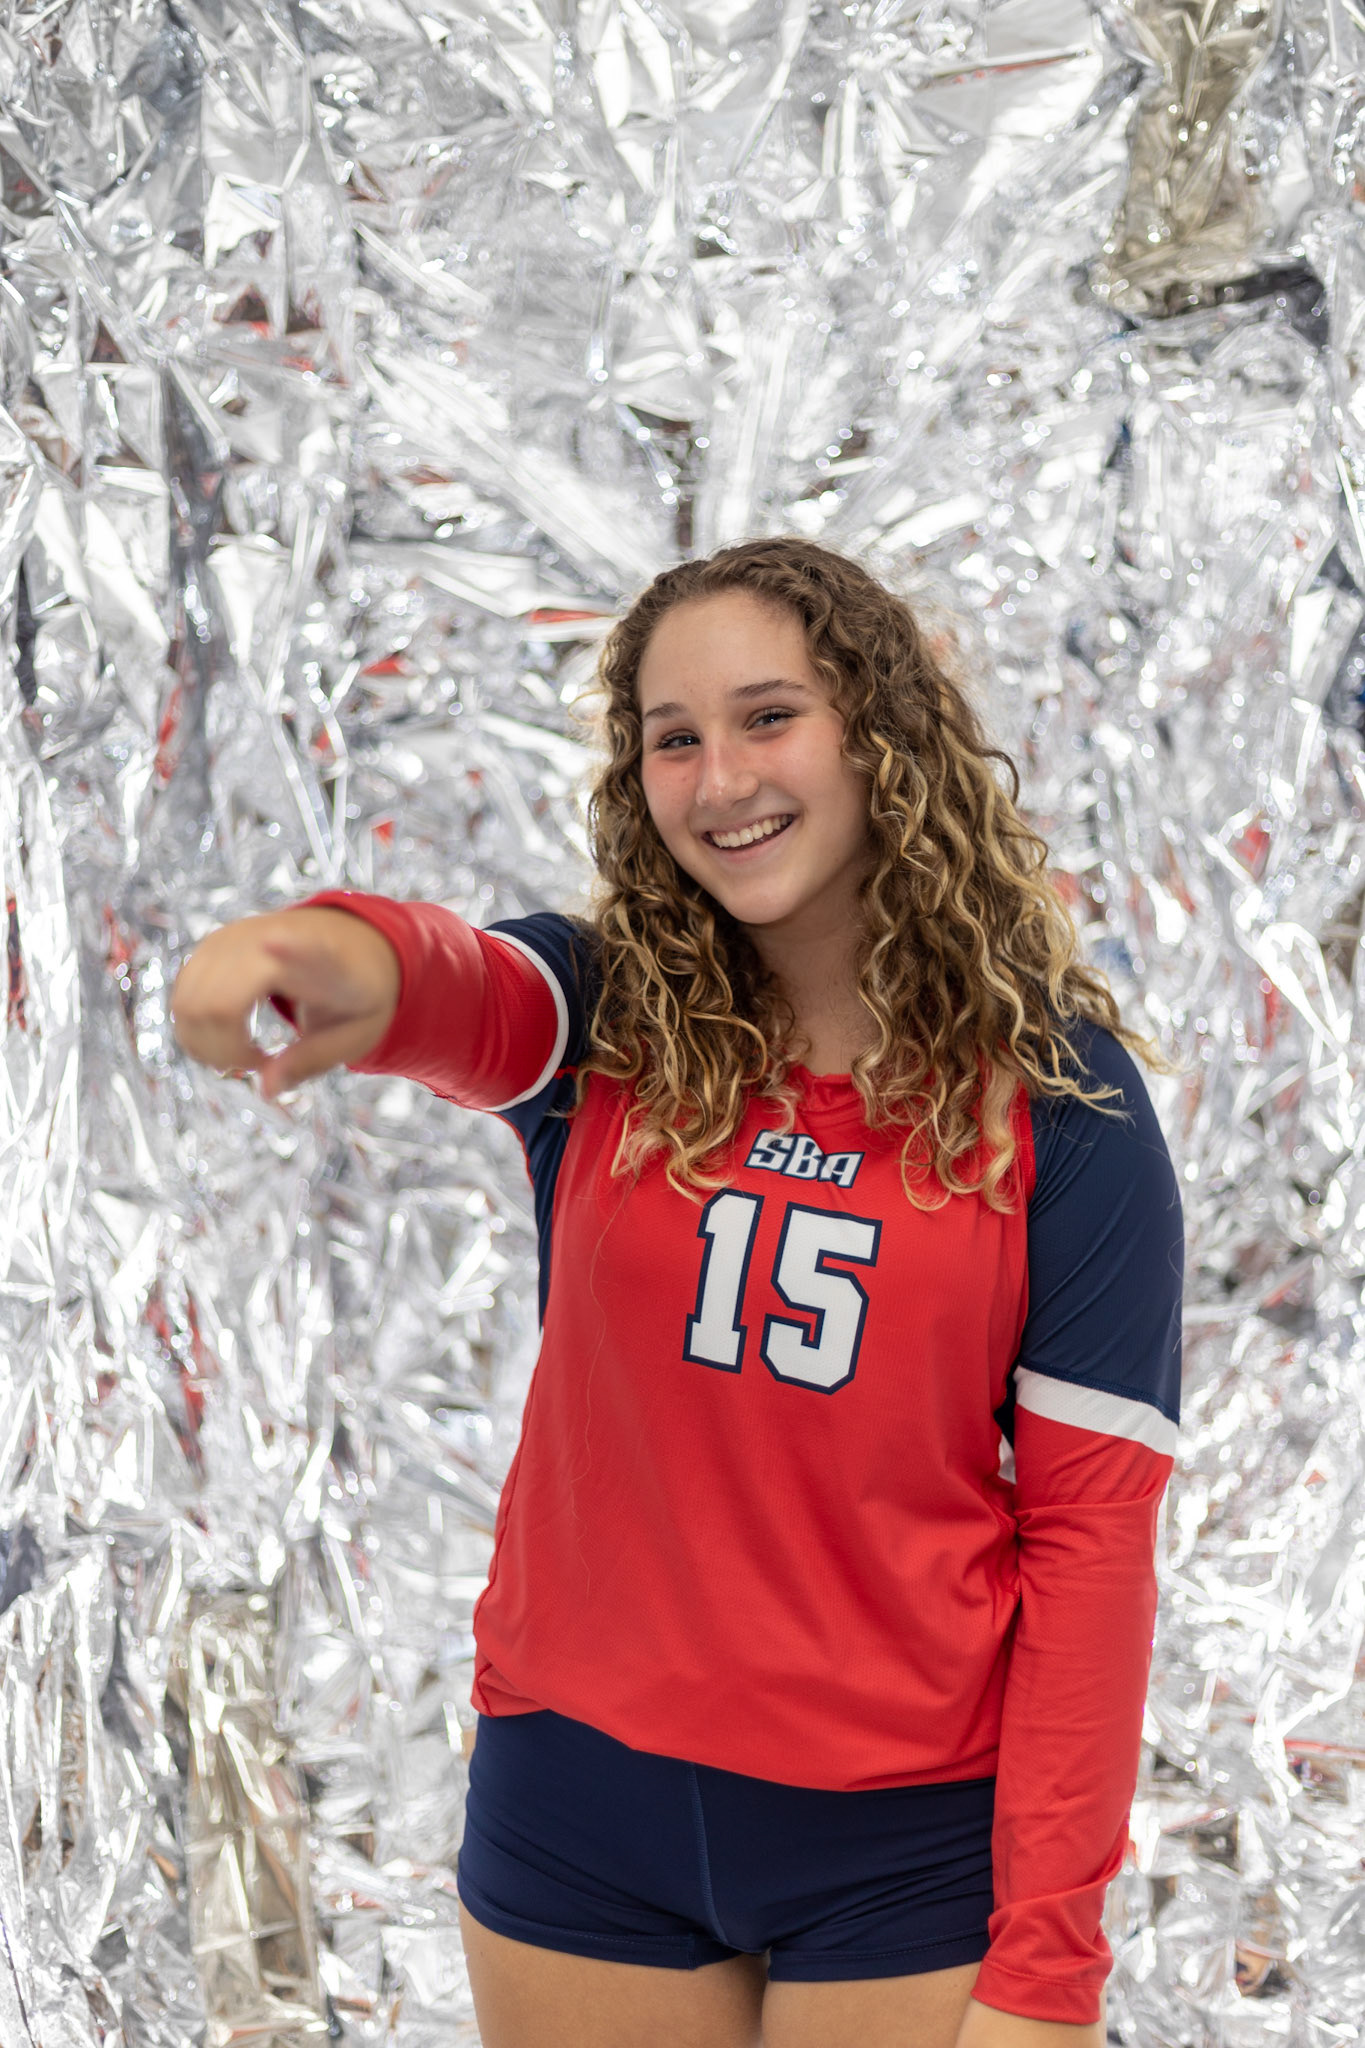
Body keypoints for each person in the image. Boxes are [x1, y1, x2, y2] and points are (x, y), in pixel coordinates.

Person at [172, 538, 1183, 2048]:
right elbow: (440, 984)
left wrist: (1045, 1972)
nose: (721, 779)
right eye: (674, 737)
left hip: (896, 1847)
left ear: (879, 735)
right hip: (579, 1809)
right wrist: (294, 957)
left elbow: (1090, 1544)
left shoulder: (1059, 1107)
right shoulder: (606, 1019)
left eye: (769, 716)